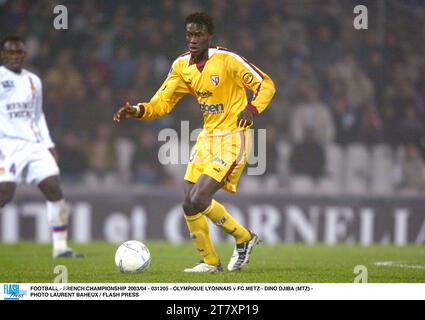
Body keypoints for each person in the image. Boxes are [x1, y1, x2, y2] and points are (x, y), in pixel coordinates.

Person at [114, 12, 275, 272]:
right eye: (189, 34)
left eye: (198, 34)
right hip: (207, 138)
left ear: (209, 37)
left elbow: (266, 85)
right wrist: (139, 110)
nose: (192, 39)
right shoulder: (181, 66)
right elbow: (162, 102)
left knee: (199, 198)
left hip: (234, 137)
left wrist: (252, 109)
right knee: (189, 202)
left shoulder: (228, 60)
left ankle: (243, 237)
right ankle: (212, 261)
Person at [0, 35, 83, 258]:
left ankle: (60, 247)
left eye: (19, 53)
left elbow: (37, 116)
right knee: (4, 193)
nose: (15, 57)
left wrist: (48, 144)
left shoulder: (34, 81)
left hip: (35, 144)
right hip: (7, 144)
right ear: (3, 54)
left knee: (53, 188)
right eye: (10, 52)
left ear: (24, 55)